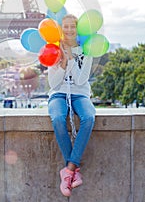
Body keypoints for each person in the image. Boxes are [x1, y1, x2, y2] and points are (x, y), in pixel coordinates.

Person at [48, 14, 96, 197]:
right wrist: (63, 63)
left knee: (89, 117)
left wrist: (71, 58)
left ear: (78, 29)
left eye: (72, 27)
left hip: (80, 93)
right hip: (58, 93)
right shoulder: (53, 49)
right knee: (58, 118)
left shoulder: (86, 50)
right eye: (65, 27)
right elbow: (53, 83)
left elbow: (81, 79)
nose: (69, 30)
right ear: (61, 29)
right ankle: (73, 170)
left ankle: (68, 169)